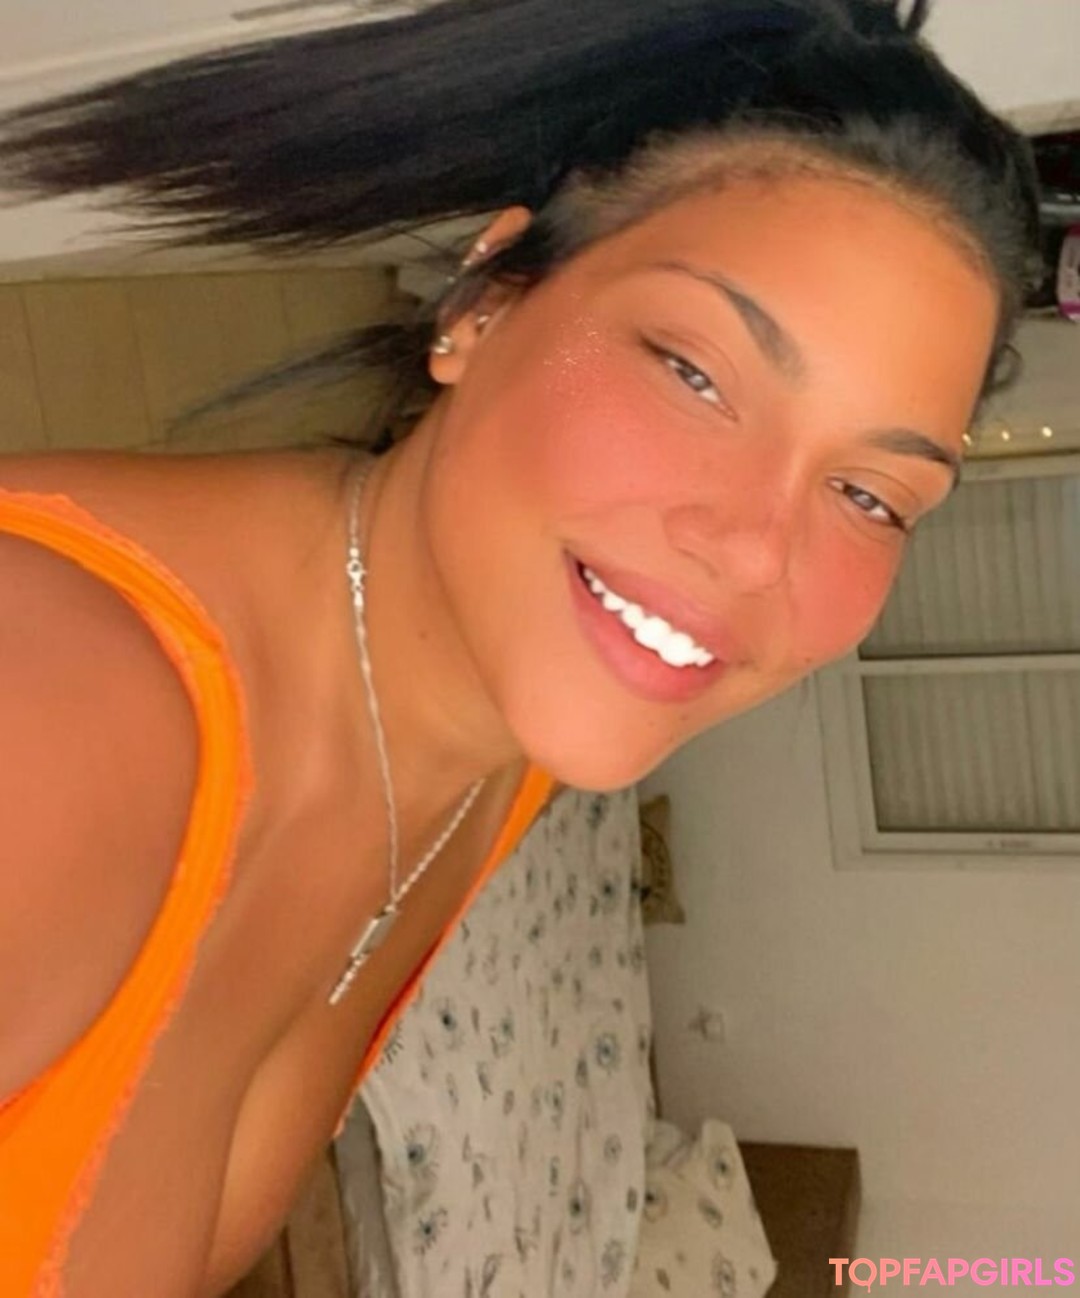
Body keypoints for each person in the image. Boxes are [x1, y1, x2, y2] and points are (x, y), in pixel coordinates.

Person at [0, 0, 1040, 1293]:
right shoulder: (50, 716)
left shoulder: (505, 754)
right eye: (695, 372)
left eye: (871, 496)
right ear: (484, 302)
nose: (756, 551)